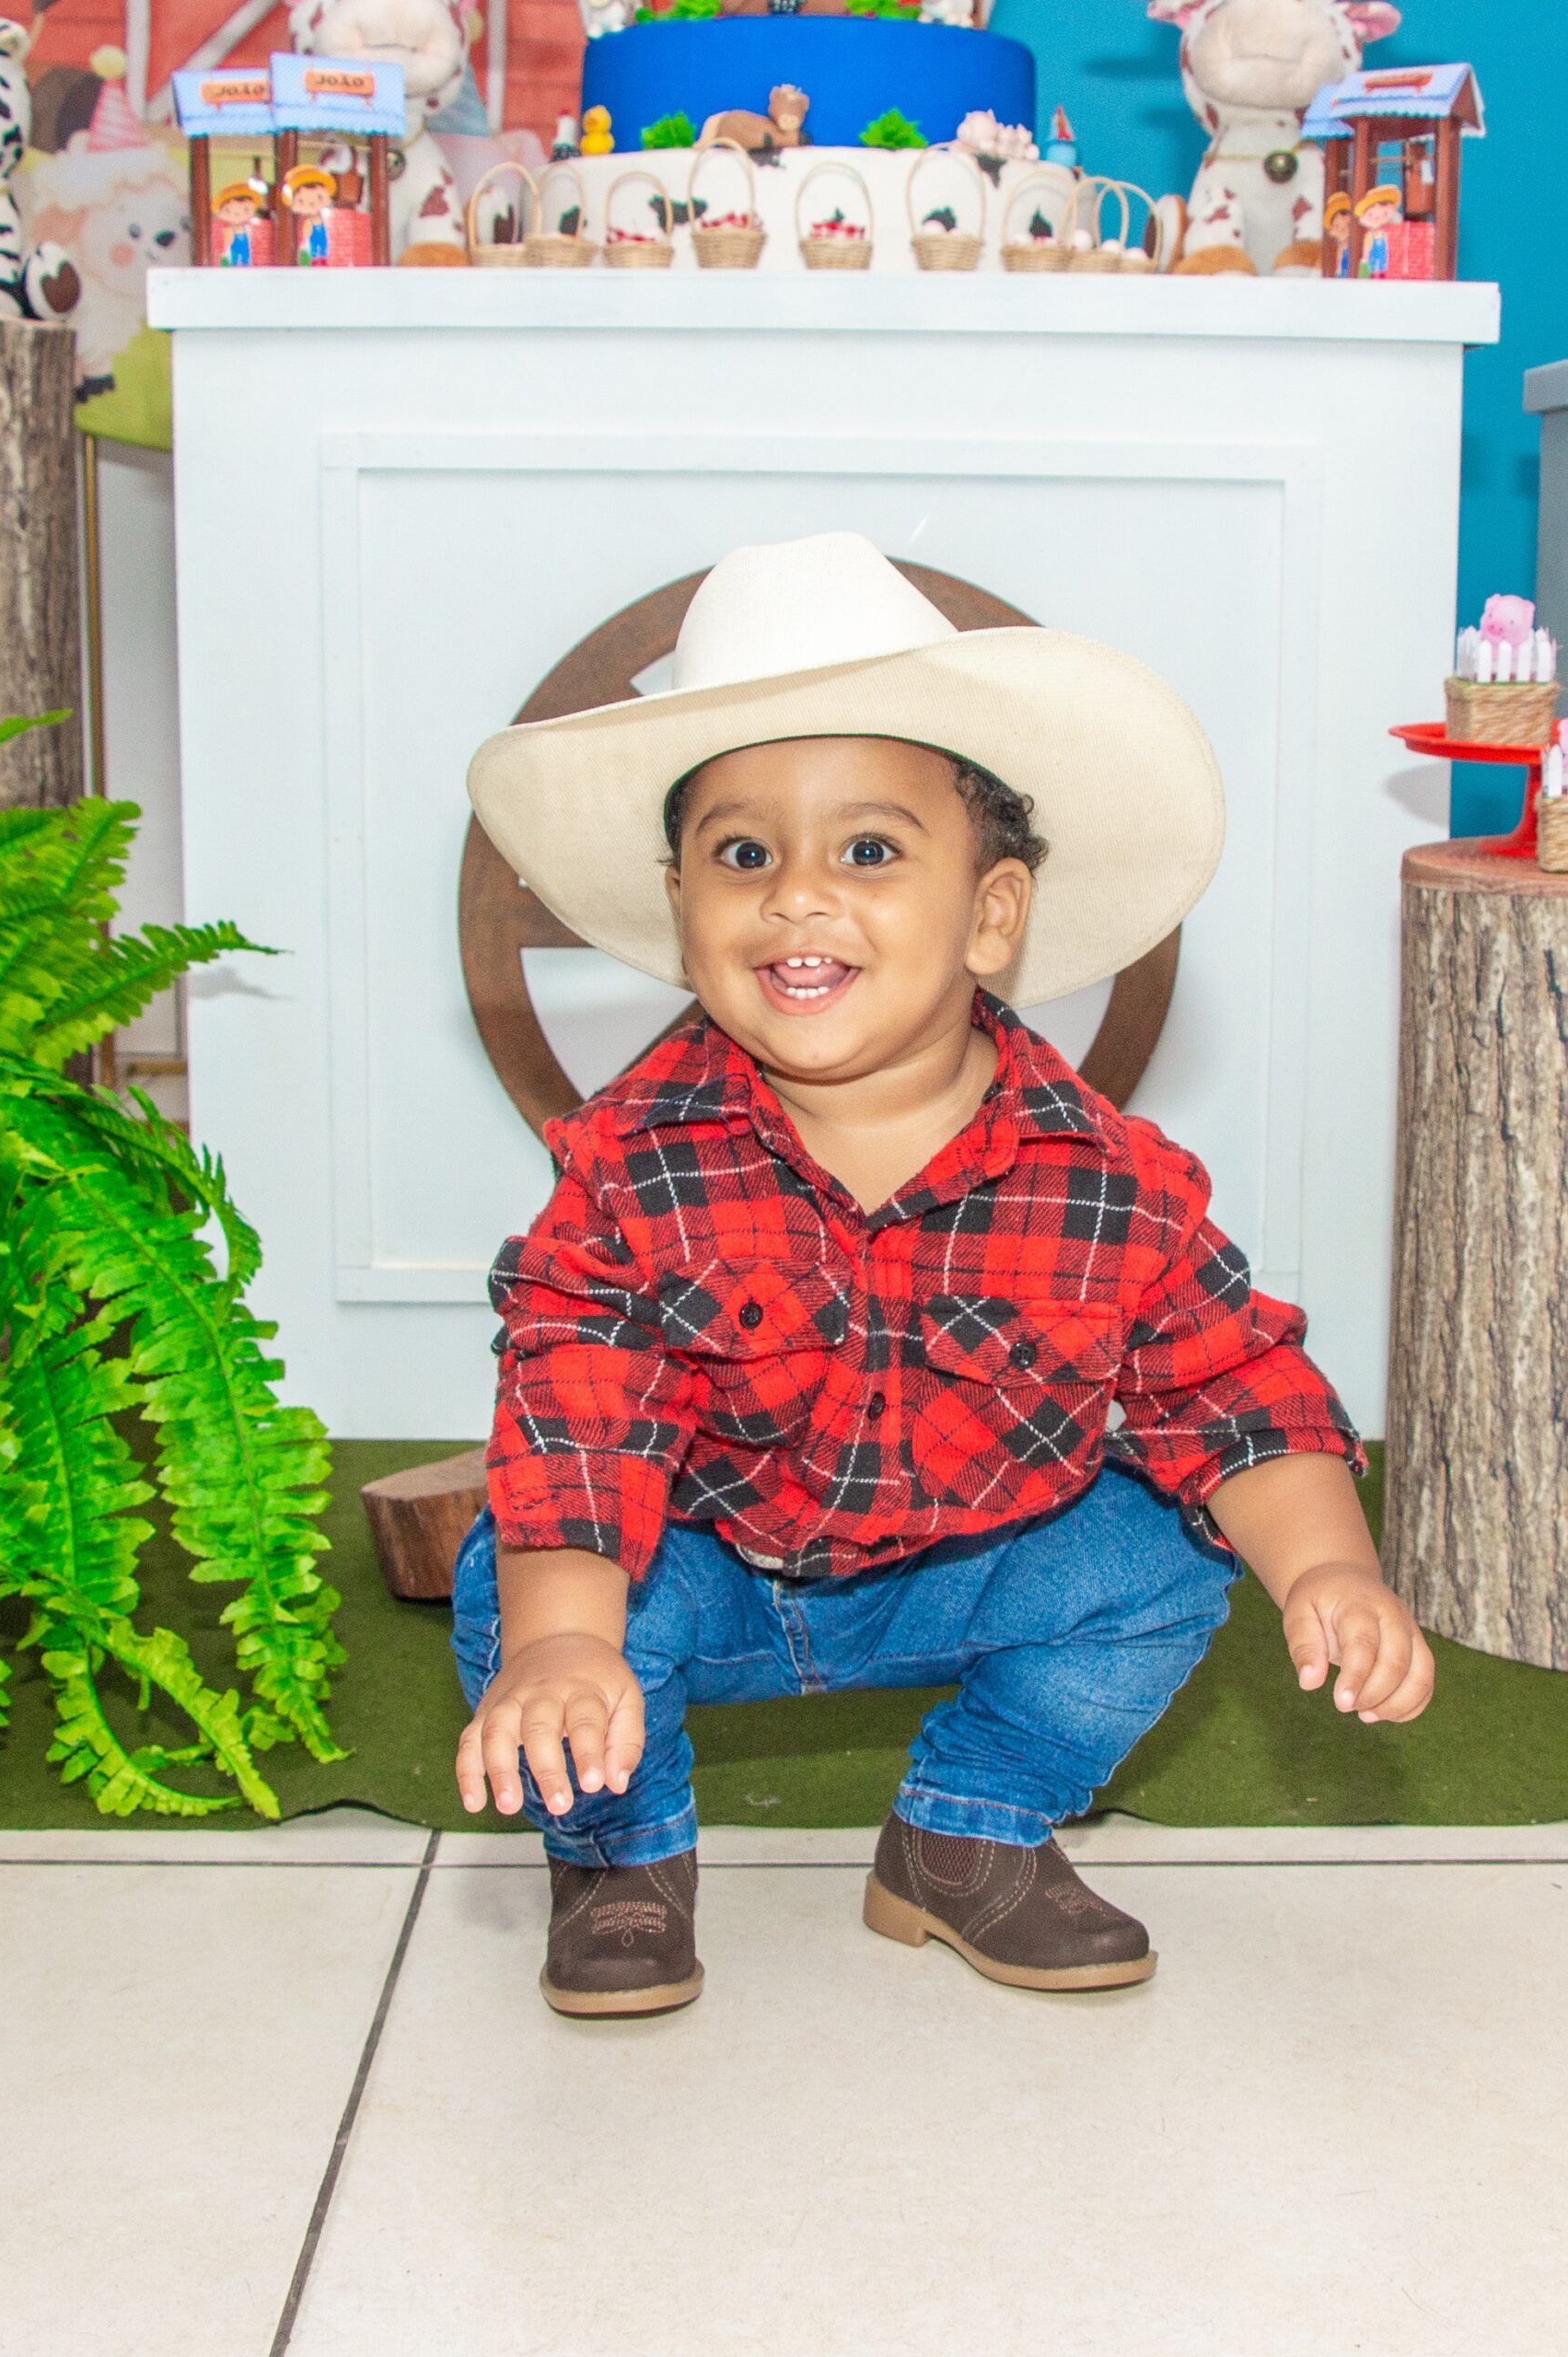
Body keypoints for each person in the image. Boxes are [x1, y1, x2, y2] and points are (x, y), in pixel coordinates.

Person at [454, 532, 1434, 2018]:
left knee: (1164, 1564)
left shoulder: (1105, 1179)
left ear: (988, 913)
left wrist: (1332, 1568)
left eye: (864, 851)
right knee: (515, 1591)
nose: (793, 897)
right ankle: (620, 1849)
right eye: (740, 855)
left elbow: (1236, 1391)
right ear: (682, 909)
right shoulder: (629, 1164)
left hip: (961, 1570)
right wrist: (565, 1645)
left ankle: (964, 1835)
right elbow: (578, 1423)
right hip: (695, 1574)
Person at [282, 166, 335, 264]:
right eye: (302, 201)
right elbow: (306, 236)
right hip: (310, 252)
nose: (312, 203)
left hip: (323, 253)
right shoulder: (305, 223)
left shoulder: (324, 219)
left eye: (319, 197)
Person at [1354, 181, 1402, 279]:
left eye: (1385, 214)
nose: (1377, 219)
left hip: (1385, 265)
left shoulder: (1385, 233)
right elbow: (1366, 251)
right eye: (1371, 216)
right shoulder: (1369, 236)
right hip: (1373, 264)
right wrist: (1364, 264)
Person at [213, 180, 264, 266]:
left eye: (246, 210)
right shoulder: (222, 230)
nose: (237, 215)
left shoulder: (253, 228)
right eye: (228, 211)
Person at [1322, 189, 1352, 277]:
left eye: (1347, 225)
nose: (1342, 230)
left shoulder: (1356, 248)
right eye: (1337, 226)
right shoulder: (1331, 249)